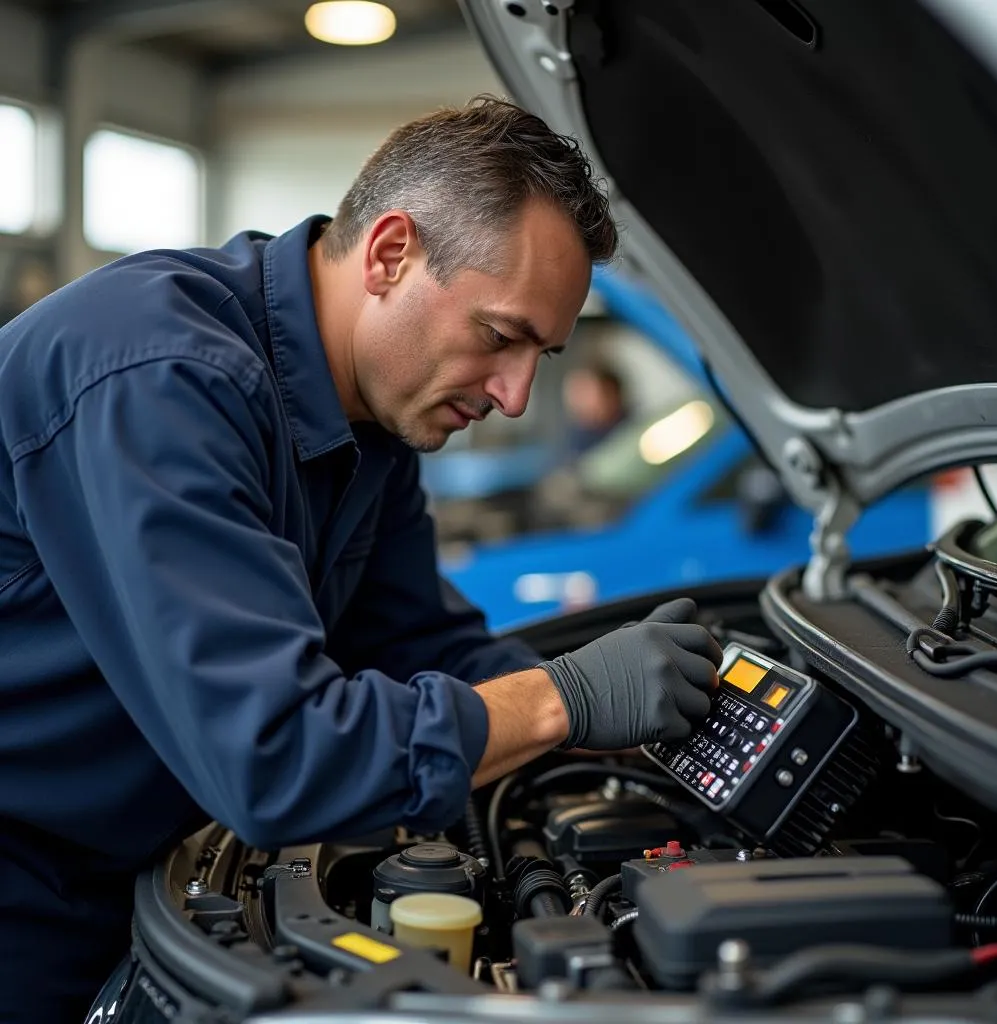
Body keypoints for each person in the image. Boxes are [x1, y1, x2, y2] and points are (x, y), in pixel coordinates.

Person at [0, 97, 722, 1021]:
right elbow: (277, 758)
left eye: (542, 353)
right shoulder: (161, 378)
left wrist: (633, 715)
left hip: (113, 872)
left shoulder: (370, 421)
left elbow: (422, 643)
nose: (514, 394)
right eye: (499, 338)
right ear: (389, 254)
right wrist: (560, 700)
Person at [562, 359, 629, 455]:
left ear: (610, 392)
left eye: (584, 392)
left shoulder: (632, 430)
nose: (577, 402)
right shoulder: (575, 440)